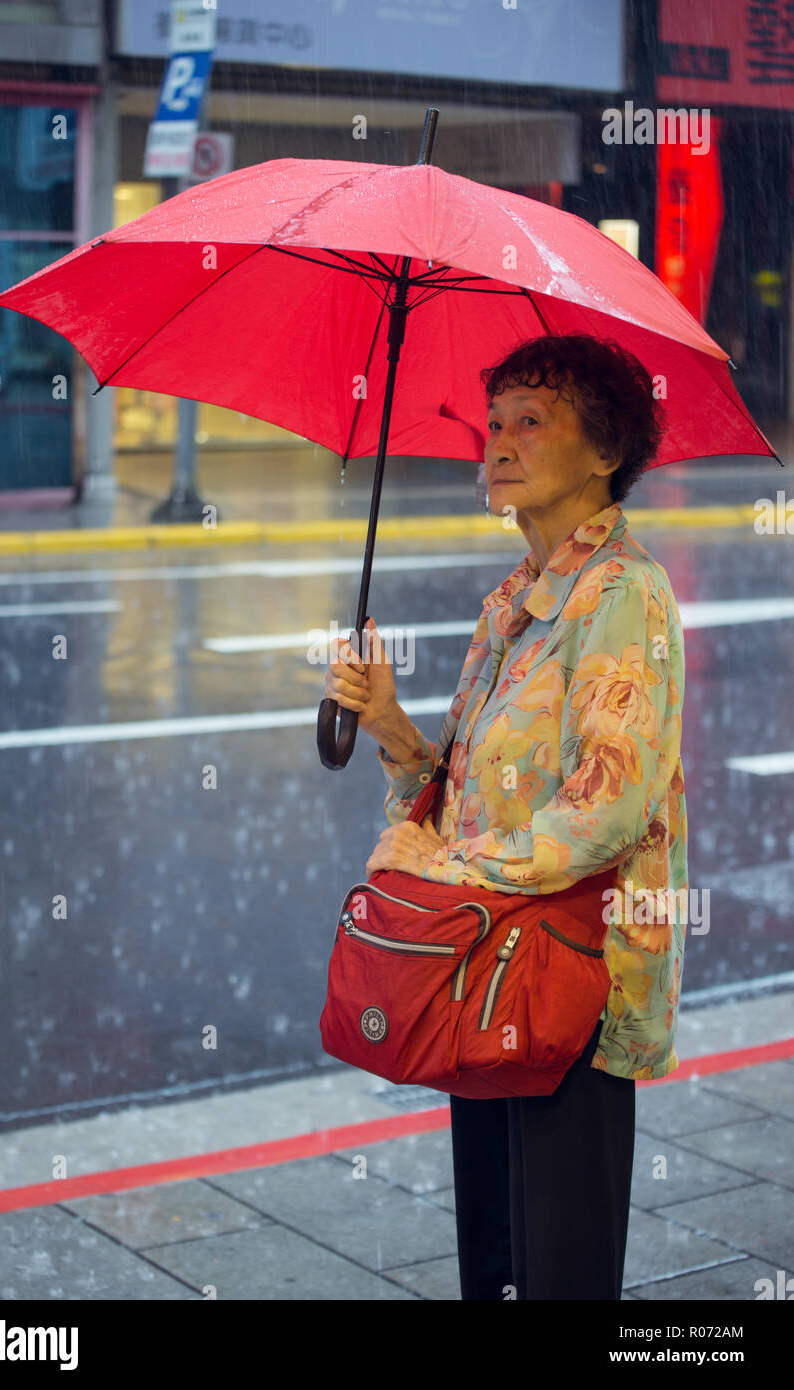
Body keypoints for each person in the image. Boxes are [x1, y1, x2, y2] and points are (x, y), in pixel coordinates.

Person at [324, 333, 688, 1301]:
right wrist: (391, 724)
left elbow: (604, 811)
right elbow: (452, 795)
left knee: (559, 1270)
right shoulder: (511, 608)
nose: (500, 442)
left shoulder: (623, 595)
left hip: (573, 984)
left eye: (532, 421)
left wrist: (458, 876)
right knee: (493, 1263)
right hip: (486, 979)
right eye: (494, 422)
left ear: (605, 451)